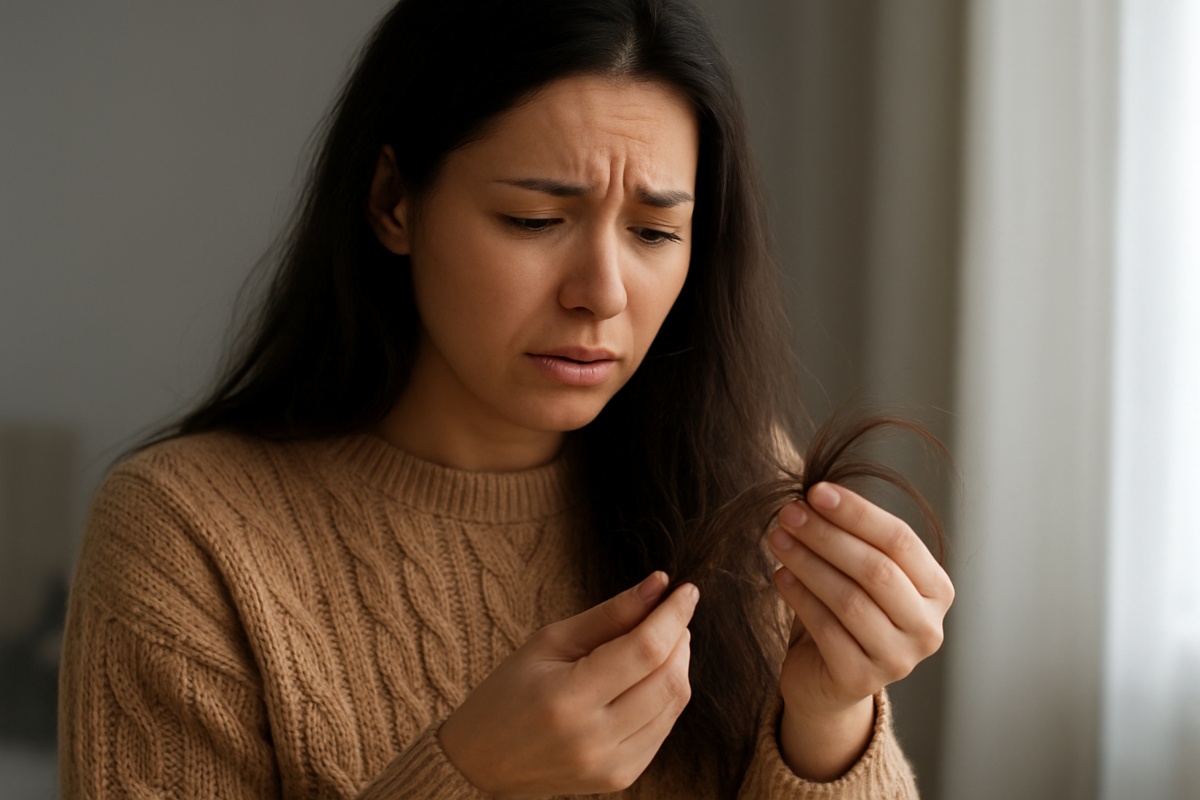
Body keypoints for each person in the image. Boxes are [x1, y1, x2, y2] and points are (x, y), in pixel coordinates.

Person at [58, 0, 954, 797]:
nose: (601, 292)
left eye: (653, 231)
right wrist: (470, 776)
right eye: (535, 220)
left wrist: (830, 718)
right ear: (392, 202)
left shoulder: (740, 482)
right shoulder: (184, 537)